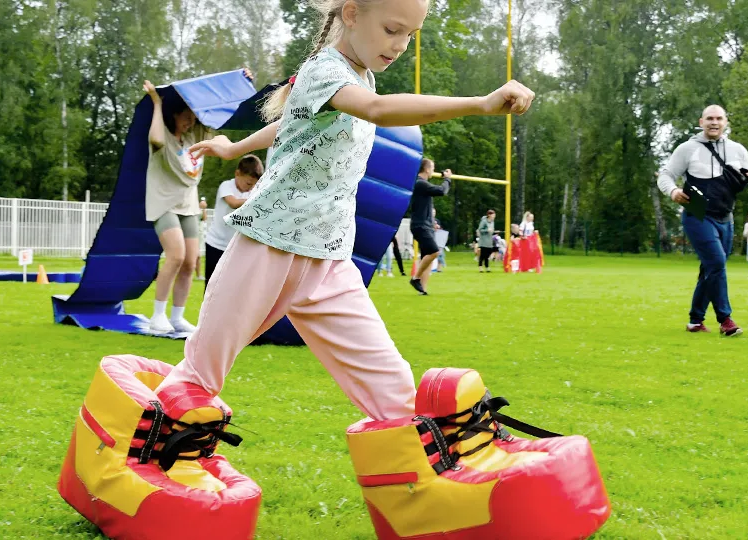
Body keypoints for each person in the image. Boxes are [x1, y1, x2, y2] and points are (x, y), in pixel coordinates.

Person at [153, 0, 535, 430]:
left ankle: (429, 464)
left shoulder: (359, 77)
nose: (401, 45)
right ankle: (143, 453)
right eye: (393, 30)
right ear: (351, 14)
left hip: (329, 260)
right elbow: (377, 110)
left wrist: (235, 147)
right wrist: (480, 104)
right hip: (270, 247)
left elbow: (293, 123)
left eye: (410, 35)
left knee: (393, 391)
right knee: (202, 371)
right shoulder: (326, 69)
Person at [656, 105, 748, 336]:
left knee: (710, 268)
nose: (714, 122)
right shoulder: (687, 149)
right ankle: (725, 319)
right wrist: (673, 192)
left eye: (718, 118)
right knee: (716, 264)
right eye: (709, 118)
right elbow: (666, 174)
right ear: (701, 121)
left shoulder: (737, 150)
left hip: (725, 217)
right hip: (697, 213)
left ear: (725, 122)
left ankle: (695, 321)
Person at [143, 80, 215, 334]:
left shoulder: (193, 137)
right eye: (186, 117)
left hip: (189, 204)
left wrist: (241, 81)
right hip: (164, 203)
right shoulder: (162, 137)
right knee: (175, 255)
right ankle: (157, 316)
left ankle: (177, 317)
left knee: (189, 261)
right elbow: (154, 137)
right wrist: (156, 102)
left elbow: (217, 117)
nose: (190, 122)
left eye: (193, 118)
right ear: (174, 115)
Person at [202, 155, 263, 289]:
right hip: (215, 245)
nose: (250, 188)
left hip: (236, 248)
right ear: (237, 173)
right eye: (248, 183)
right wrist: (257, 200)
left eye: (254, 185)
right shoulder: (226, 186)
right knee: (211, 287)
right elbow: (233, 203)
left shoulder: (253, 192)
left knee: (232, 288)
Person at [409, 159, 452, 294]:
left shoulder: (423, 185)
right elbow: (441, 191)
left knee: (426, 257)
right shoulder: (420, 184)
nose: (434, 170)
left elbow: (425, 208)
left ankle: (423, 289)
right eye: (433, 168)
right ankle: (415, 278)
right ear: (427, 169)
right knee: (434, 252)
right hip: (420, 226)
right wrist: (447, 179)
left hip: (425, 225)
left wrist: (432, 222)